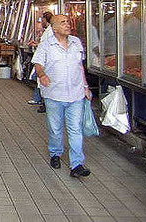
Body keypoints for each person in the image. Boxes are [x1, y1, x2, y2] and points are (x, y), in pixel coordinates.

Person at [32, 15, 92, 178]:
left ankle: (77, 164)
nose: (67, 25)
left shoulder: (76, 43)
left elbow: (80, 67)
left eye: (67, 22)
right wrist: (42, 74)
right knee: (55, 128)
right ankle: (55, 154)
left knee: (75, 129)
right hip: (54, 94)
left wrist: (86, 86)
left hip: (76, 93)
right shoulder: (46, 45)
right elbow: (38, 64)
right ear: (54, 28)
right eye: (63, 23)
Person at [27, 11, 53, 113]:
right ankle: (41, 101)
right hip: (43, 60)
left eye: (42, 19)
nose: (41, 21)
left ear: (45, 20)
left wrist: (36, 45)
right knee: (39, 81)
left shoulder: (49, 32)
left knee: (42, 82)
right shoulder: (48, 31)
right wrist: (37, 44)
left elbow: (46, 46)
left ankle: (44, 103)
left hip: (45, 61)